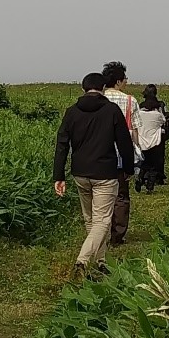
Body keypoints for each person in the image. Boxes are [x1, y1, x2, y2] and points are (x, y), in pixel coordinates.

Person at [54, 72, 134, 278]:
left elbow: (62, 144)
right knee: (102, 221)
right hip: (105, 173)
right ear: (103, 88)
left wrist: (58, 175)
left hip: (80, 173)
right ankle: (82, 261)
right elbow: (124, 142)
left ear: (83, 89)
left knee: (91, 220)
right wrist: (128, 168)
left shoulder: (71, 112)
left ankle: (100, 262)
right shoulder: (111, 110)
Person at [101, 61, 141, 244]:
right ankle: (117, 234)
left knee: (100, 195)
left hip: (100, 154)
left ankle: (100, 231)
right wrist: (137, 153)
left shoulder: (98, 99)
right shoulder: (130, 101)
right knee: (121, 195)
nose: (126, 82)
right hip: (121, 154)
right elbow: (135, 131)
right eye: (125, 79)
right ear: (118, 81)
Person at [135, 84, 169, 192]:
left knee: (145, 162)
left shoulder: (140, 108)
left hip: (142, 139)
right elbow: (164, 121)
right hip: (156, 140)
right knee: (155, 163)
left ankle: (140, 177)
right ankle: (150, 185)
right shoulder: (159, 109)